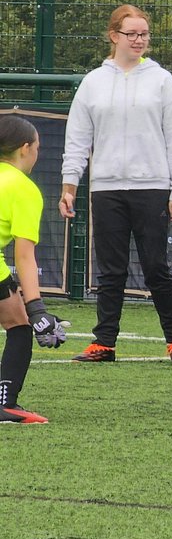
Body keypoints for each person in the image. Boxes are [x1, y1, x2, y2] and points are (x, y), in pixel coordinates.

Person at [60, 4, 172, 364]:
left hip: (152, 188)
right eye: (132, 34)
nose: (139, 40)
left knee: (156, 267)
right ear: (113, 36)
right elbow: (77, 138)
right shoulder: (93, 82)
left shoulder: (162, 80)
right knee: (110, 270)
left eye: (144, 34)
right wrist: (69, 184)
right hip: (106, 189)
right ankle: (104, 344)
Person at [0, 115, 68, 424]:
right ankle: (5, 404)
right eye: (38, 147)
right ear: (25, 149)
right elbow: (25, 255)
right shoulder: (23, 188)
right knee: (20, 323)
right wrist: (37, 307)